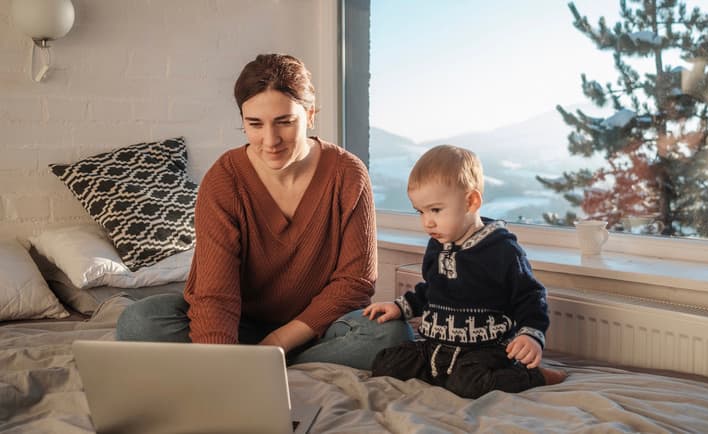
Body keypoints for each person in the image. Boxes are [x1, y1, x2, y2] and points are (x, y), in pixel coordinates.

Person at [116, 53, 413, 370]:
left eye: (285, 122)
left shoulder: (347, 173)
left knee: (392, 333)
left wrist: (278, 342)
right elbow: (215, 293)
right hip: (240, 325)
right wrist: (220, 365)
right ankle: (263, 364)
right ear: (242, 120)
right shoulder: (224, 180)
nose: (270, 141)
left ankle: (268, 361)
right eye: (254, 124)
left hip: (317, 327)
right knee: (139, 321)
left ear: (310, 114)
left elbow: (355, 282)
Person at [363, 145, 567, 399]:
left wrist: (531, 335)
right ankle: (442, 374)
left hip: (486, 349)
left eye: (435, 210)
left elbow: (530, 296)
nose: (427, 222)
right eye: (421, 211)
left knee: (467, 384)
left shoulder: (502, 250)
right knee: (385, 363)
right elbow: (433, 289)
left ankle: (534, 376)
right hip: (436, 346)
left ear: (471, 201)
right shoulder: (438, 244)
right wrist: (401, 306)